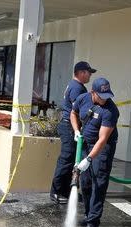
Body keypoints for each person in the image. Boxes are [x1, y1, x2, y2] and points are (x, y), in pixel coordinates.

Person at [71, 78, 119, 227]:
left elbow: (103, 139)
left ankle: (93, 223)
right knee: (85, 183)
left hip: (103, 147)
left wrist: (89, 159)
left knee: (98, 182)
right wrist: (76, 130)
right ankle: (87, 215)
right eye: (102, 96)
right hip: (85, 144)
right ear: (93, 93)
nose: (105, 99)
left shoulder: (111, 111)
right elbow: (73, 113)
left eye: (107, 95)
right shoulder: (83, 98)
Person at [50, 61, 96, 204]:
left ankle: (67, 191)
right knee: (66, 160)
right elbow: (78, 111)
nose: (90, 76)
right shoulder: (78, 88)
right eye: (89, 73)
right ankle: (57, 192)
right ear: (82, 72)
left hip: (69, 126)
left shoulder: (74, 85)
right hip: (69, 127)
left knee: (70, 161)